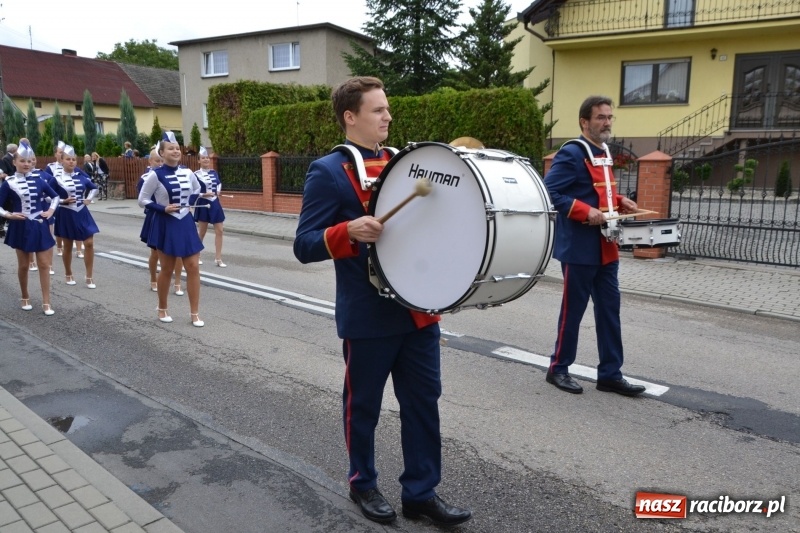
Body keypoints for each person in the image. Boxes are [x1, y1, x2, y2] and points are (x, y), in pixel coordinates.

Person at [293, 77, 471, 527]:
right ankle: (362, 483)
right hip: (368, 315)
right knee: (364, 405)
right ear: (350, 117)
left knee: (422, 403)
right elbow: (304, 244)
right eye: (378, 110)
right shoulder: (328, 171)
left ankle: (420, 492)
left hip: (418, 312)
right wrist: (346, 231)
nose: (388, 116)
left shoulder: (408, 165)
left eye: (387, 109)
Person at [543, 95, 646, 397]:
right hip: (579, 248)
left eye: (609, 117)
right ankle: (558, 368)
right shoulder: (573, 153)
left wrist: (619, 200)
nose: (607, 122)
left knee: (610, 311)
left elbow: (598, 192)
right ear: (584, 122)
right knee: (572, 312)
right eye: (600, 117)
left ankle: (610, 374)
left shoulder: (603, 151)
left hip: (607, 247)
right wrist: (583, 210)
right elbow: (549, 192)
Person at [138, 131, 205, 327]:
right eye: (171, 148)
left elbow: (197, 190)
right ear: (161, 152)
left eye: (177, 148)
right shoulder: (155, 175)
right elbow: (143, 200)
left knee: (193, 267)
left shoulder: (188, 172)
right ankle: (162, 308)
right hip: (165, 223)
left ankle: (195, 313)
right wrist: (163, 208)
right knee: (167, 268)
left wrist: (190, 202)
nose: (175, 151)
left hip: (185, 222)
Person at [0, 141, 61, 315]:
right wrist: (9, 215)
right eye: (22, 161)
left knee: (43, 263)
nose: (26, 164)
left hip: (39, 224)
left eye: (29, 161)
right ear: (14, 162)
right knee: (24, 265)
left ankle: (46, 302)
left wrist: (50, 210)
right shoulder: (9, 183)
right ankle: (25, 296)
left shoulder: (40, 180)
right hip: (20, 226)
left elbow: (55, 197)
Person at [48, 144, 100, 289]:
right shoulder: (56, 178)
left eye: (73, 159)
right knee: (68, 246)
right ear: (62, 161)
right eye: (68, 159)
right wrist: (63, 201)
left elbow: (94, 188)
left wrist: (88, 198)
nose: (71, 162)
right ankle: (68, 273)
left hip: (82, 212)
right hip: (66, 213)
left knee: (89, 243)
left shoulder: (80, 175)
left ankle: (89, 276)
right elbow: (47, 197)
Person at [193, 146, 227, 267]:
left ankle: (218, 258)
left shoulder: (214, 172)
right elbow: (193, 191)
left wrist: (218, 191)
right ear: (199, 161)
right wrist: (203, 194)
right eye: (203, 158)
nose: (206, 160)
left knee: (220, 230)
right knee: (202, 231)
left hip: (215, 203)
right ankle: (196, 255)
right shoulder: (195, 175)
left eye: (207, 158)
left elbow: (219, 183)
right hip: (203, 203)